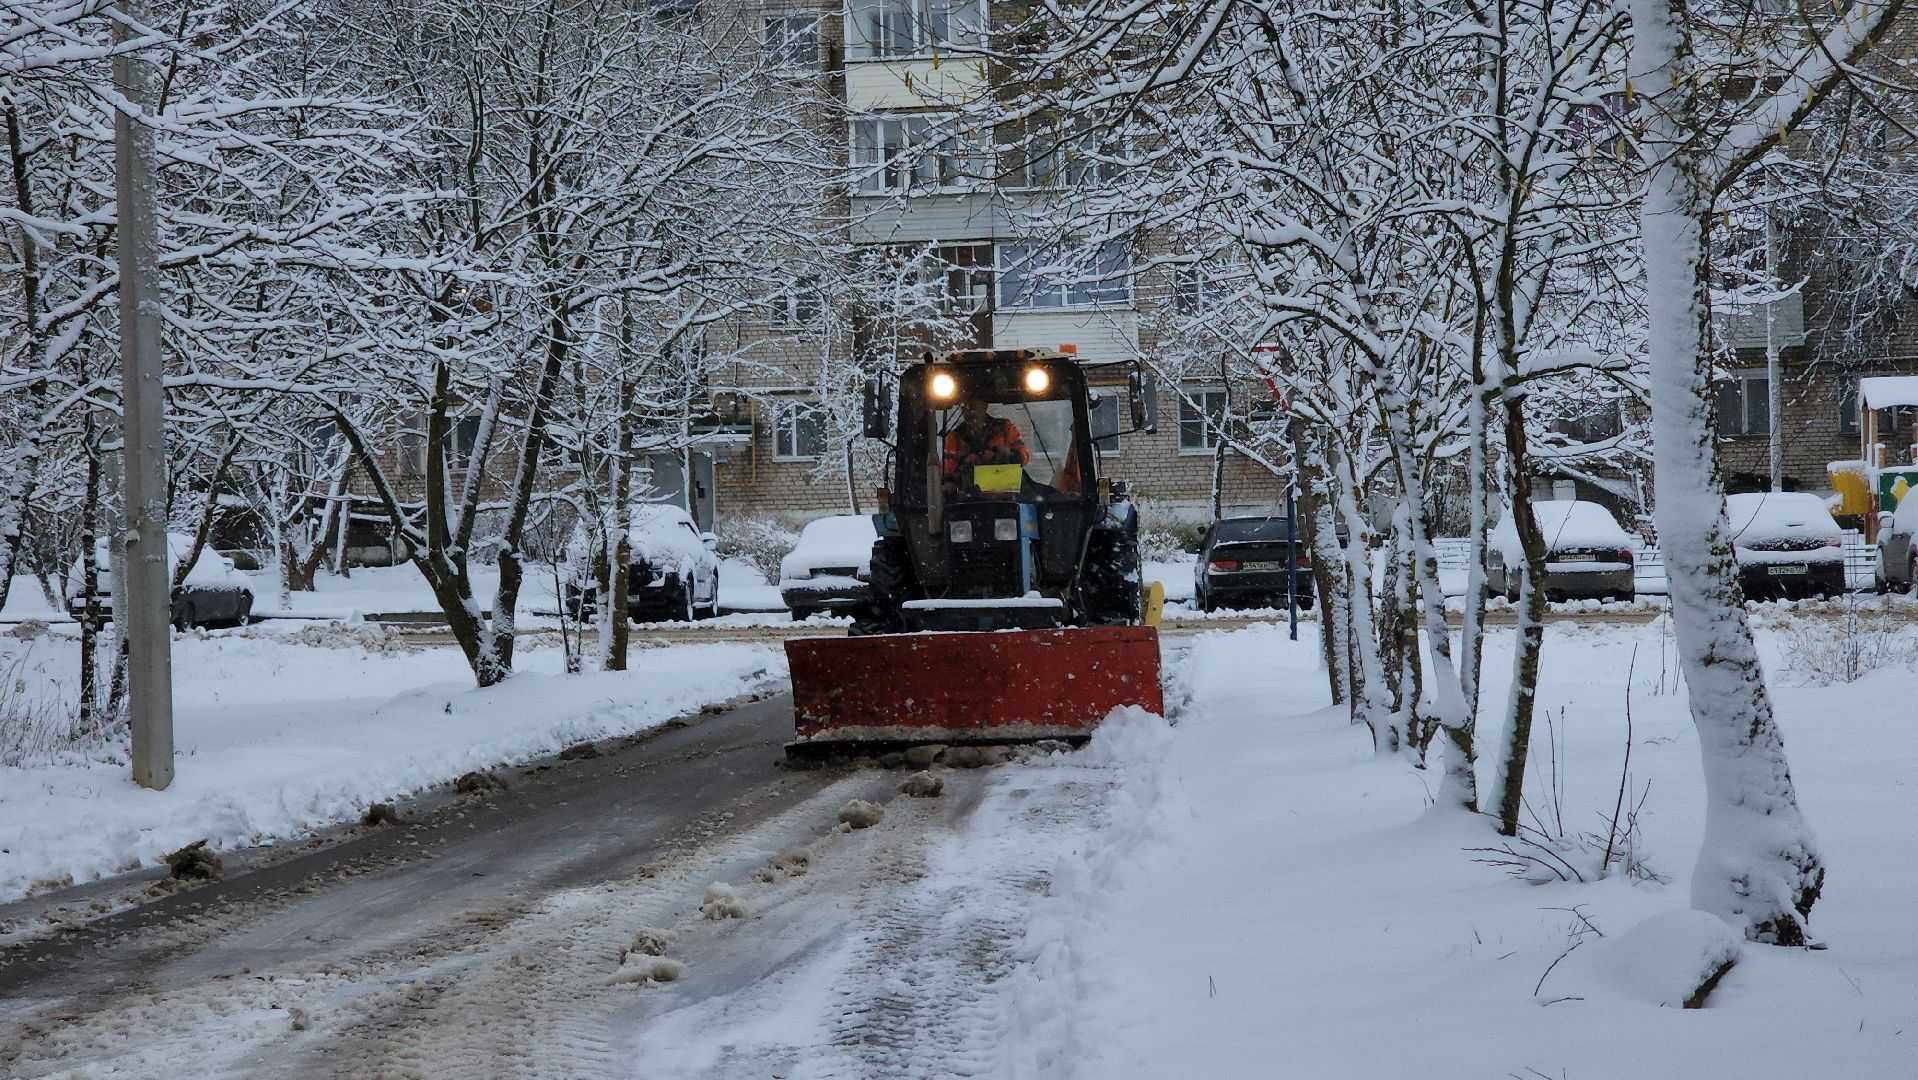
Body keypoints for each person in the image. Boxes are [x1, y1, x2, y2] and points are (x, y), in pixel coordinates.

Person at [942, 399, 1028, 496]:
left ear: (985, 405)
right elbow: (948, 471)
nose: (969, 410)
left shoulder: (1005, 428)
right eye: (964, 406)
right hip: (970, 501)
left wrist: (1010, 454)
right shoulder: (955, 437)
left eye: (973, 405)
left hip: (1008, 496)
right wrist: (949, 483)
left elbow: (1023, 456)